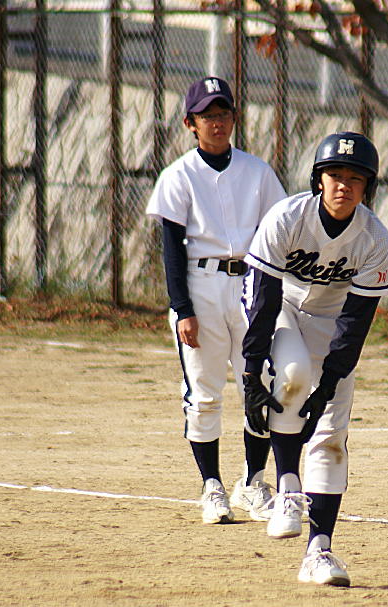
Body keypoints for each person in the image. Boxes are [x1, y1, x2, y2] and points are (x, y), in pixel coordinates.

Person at [240, 132, 388, 587]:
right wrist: (251, 370)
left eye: (355, 178)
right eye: (335, 175)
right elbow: (263, 296)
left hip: (333, 321)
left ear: (368, 187)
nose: (344, 185)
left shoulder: (375, 238)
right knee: (291, 376)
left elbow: (356, 320)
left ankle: (318, 551)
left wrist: (331, 382)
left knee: (330, 436)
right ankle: (288, 485)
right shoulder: (287, 217)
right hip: (283, 306)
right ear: (318, 180)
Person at [145, 76, 287, 525]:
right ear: (190, 123)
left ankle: (253, 482)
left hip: (251, 284)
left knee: (259, 383)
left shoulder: (257, 172)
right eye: (207, 115)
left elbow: (279, 231)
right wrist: (182, 309)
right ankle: (211, 486)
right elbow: (171, 247)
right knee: (204, 393)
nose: (217, 122)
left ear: (234, 118)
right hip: (201, 284)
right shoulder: (179, 175)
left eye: (223, 113)